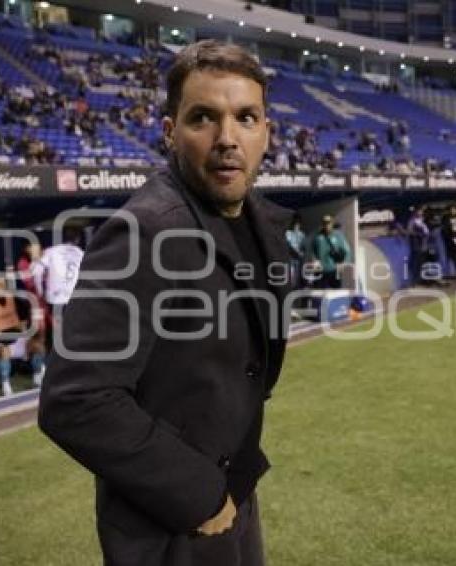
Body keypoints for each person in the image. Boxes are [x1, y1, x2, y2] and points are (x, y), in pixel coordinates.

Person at [39, 40, 292, 566]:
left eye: (246, 117)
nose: (228, 138)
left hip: (233, 490)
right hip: (171, 520)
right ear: (170, 130)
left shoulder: (255, 220)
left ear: (267, 131)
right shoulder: (146, 230)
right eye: (204, 117)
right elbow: (75, 399)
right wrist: (197, 494)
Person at [0, 278, 47, 395]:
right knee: (4, 350)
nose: (3, 288)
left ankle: (37, 377)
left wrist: (26, 336)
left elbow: (23, 324)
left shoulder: (13, 300)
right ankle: (5, 385)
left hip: (15, 340)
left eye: (4, 285)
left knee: (38, 346)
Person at [311, 215, 352, 289]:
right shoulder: (317, 237)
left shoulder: (338, 236)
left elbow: (347, 252)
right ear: (322, 224)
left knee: (336, 294)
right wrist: (314, 260)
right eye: (324, 223)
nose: (326, 225)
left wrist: (344, 263)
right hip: (320, 271)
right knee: (318, 295)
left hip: (335, 270)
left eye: (328, 223)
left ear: (332, 223)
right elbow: (313, 251)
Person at [406, 207, 430, 285]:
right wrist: (419, 235)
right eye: (419, 211)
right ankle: (414, 280)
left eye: (421, 211)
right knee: (416, 262)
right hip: (417, 245)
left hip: (424, 245)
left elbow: (426, 231)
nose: (420, 213)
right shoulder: (412, 221)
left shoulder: (422, 221)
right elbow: (410, 231)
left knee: (422, 262)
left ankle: (422, 278)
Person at [285, 214, 306, 289]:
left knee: (298, 277)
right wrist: (298, 252)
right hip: (290, 258)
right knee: (291, 277)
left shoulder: (302, 235)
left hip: (298, 260)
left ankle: (296, 290)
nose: (296, 225)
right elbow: (289, 245)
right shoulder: (288, 233)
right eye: (295, 223)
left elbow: (304, 247)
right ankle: (291, 289)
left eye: (298, 224)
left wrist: (302, 253)